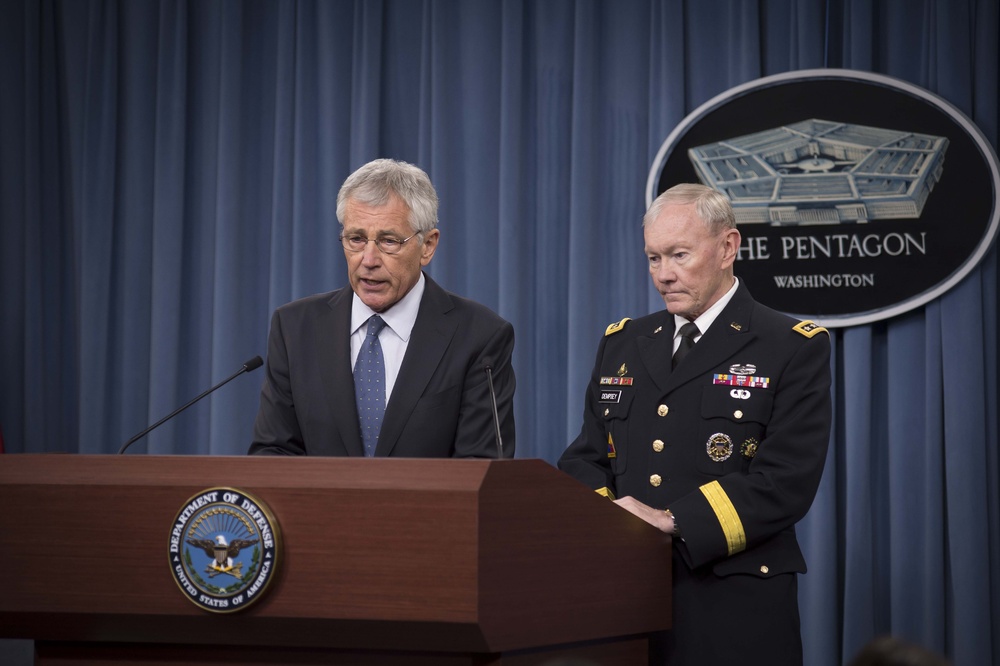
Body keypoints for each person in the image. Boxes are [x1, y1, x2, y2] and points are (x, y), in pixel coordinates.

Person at [558, 183, 831, 665]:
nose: (663, 275)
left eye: (679, 255)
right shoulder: (624, 342)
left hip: (732, 601)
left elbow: (785, 481)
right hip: (625, 595)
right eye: (653, 258)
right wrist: (609, 521)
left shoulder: (790, 345)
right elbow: (586, 456)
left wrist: (672, 520)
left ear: (728, 247)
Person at [250, 158, 515, 458]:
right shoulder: (295, 328)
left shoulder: (479, 336)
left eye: (388, 241)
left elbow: (481, 465)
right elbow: (272, 452)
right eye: (356, 239)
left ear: (427, 245)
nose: (369, 259)